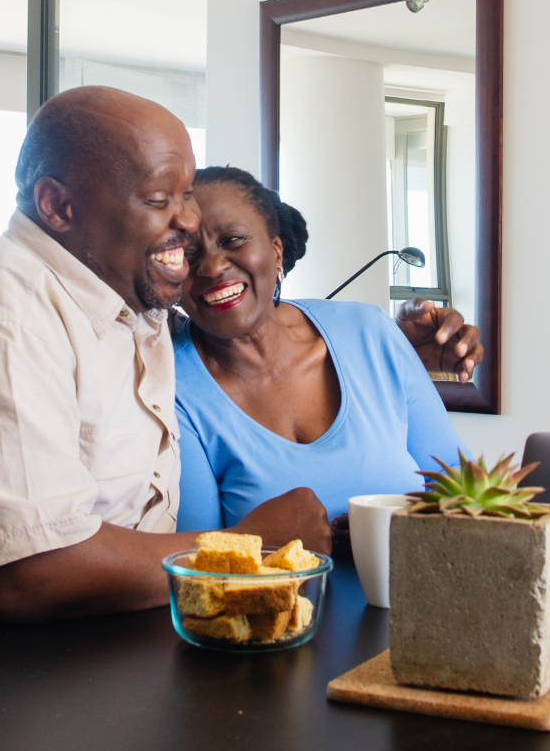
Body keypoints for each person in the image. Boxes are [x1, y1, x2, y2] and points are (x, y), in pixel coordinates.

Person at [0, 87, 330, 627]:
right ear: (59, 206)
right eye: (159, 200)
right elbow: (31, 574)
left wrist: (407, 343)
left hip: (87, 657)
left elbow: (246, 315)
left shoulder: (129, 294)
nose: (190, 222)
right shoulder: (0, 315)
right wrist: (247, 547)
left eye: (188, 194)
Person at [172, 167, 470, 540]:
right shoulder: (171, 385)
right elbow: (197, 563)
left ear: (276, 251)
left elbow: (460, 488)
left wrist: (380, 531)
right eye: (186, 254)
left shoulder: (369, 332)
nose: (212, 267)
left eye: (232, 240)